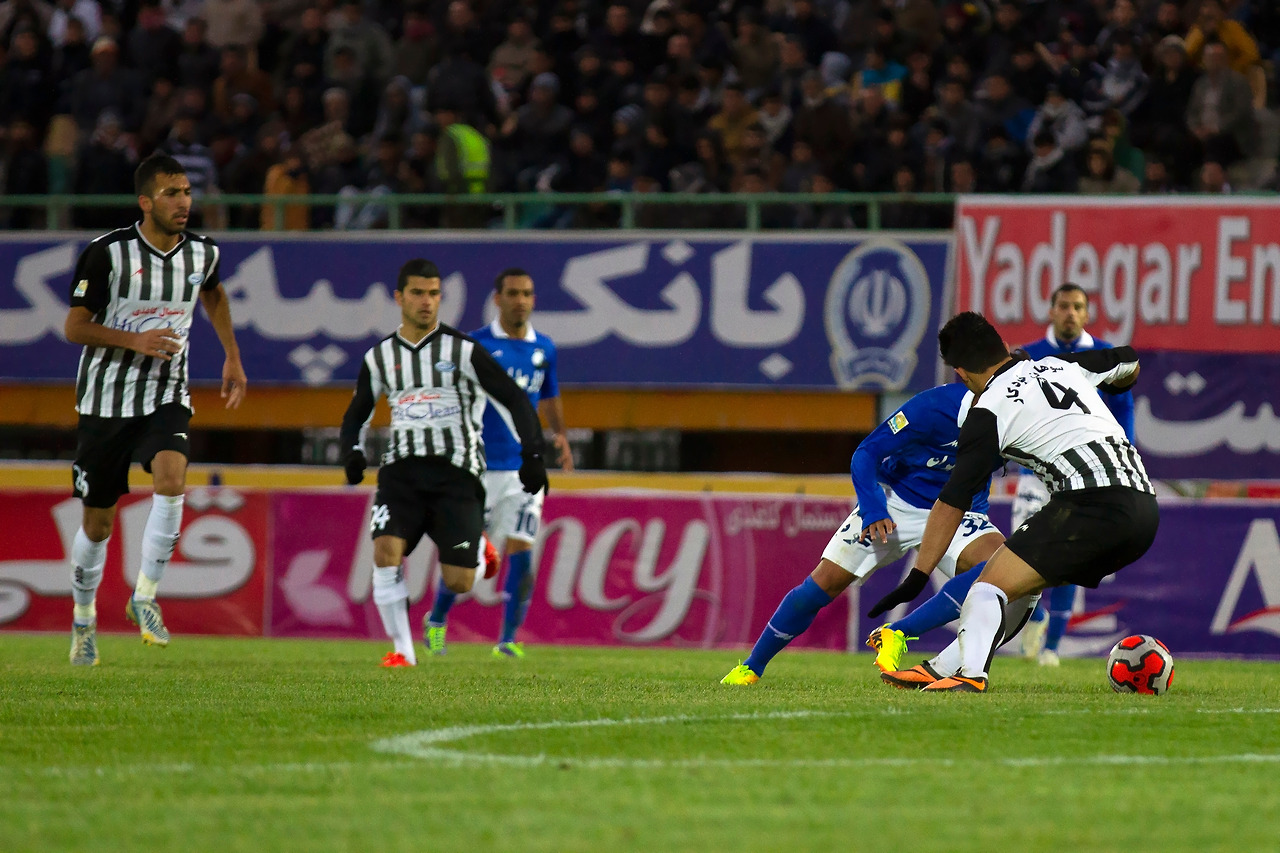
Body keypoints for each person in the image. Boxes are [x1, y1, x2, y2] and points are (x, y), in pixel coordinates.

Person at [876, 312, 1156, 692]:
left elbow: (952, 501)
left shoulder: (986, 411)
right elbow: (1128, 360)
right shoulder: (1060, 365)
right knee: (1017, 584)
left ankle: (971, 676)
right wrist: (1124, 382)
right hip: (1143, 508)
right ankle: (941, 667)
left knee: (985, 587)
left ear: (962, 373)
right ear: (1004, 347)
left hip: (1091, 503)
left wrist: (918, 576)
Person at [63, 152, 247, 666]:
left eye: (186, 191)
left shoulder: (203, 252)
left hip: (166, 391)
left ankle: (145, 595)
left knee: (172, 479)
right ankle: (83, 618)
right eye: (171, 194)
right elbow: (74, 327)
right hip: (105, 399)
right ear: (145, 202)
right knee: (98, 525)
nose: (183, 202)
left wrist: (232, 355)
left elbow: (213, 294)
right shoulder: (107, 253)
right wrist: (134, 340)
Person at [721, 382, 1005, 685]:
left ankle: (898, 632)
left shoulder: (1018, 414)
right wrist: (873, 509)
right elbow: (867, 452)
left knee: (999, 568)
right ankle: (752, 667)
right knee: (821, 585)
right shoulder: (931, 407)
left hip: (962, 511)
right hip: (897, 503)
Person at [338, 259, 548, 668]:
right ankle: (402, 651)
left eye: (434, 294)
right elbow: (357, 412)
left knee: (460, 580)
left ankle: (478, 549)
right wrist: (352, 452)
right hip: (401, 472)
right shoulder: (380, 356)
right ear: (399, 298)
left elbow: (514, 399)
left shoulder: (464, 351)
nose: (427, 301)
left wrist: (533, 454)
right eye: (418, 293)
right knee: (385, 551)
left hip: (457, 475)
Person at [424, 268, 573, 658]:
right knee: (467, 563)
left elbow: (550, 395)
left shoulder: (544, 348)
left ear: (533, 299)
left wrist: (560, 435)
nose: (520, 300)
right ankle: (436, 621)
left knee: (523, 553)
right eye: (513, 293)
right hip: (481, 468)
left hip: (524, 469)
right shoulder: (476, 345)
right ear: (497, 298)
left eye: (526, 293)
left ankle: (507, 640)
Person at [1015, 284, 1135, 667]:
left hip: (1081, 472)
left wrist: (1124, 452)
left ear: (1087, 314)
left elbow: (1123, 406)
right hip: (1034, 469)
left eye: (1077, 306)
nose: (1070, 312)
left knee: (1068, 553)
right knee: (1020, 547)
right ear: (1051, 311)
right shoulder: (1027, 355)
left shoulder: (1105, 355)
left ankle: (1051, 648)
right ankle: (1036, 615)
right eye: (1064, 306)